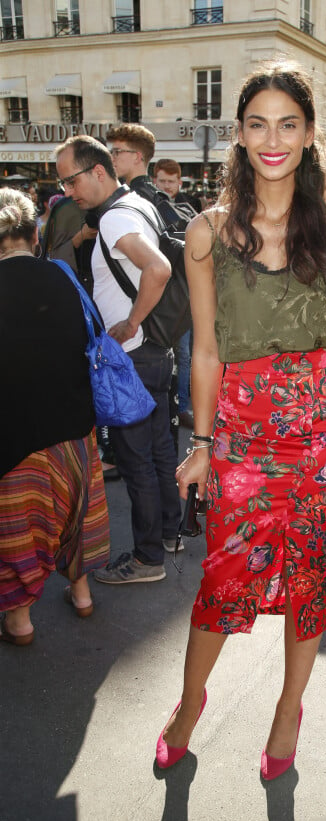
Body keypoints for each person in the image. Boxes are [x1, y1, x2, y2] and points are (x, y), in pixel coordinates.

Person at [155, 60, 326, 776]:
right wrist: (201, 442)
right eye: (258, 123)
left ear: (309, 133)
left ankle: (289, 707)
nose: (272, 138)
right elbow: (205, 351)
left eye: (287, 124)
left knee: (309, 577)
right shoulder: (207, 233)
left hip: (322, 434)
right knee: (221, 580)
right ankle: (190, 700)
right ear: (238, 132)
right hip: (240, 433)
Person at [55, 135, 182, 584]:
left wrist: (130, 322)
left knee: (135, 461)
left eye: (71, 180)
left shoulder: (114, 219)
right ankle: (170, 532)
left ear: (97, 172)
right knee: (161, 451)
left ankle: (148, 559)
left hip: (132, 355)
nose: (68, 191)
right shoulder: (137, 203)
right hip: (157, 350)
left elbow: (158, 268)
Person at [0, 188, 109, 645]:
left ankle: (20, 620)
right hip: (74, 426)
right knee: (75, 517)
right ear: (35, 231)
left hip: (16, 432)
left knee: (21, 530)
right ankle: (81, 594)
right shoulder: (64, 276)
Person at [153, 158, 197, 429]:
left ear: (179, 182)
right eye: (162, 181)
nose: (167, 186)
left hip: (183, 295)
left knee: (184, 354)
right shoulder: (149, 207)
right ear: (154, 180)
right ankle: (166, 408)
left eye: (171, 181)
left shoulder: (188, 209)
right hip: (157, 293)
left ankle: (181, 406)